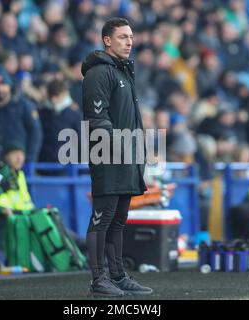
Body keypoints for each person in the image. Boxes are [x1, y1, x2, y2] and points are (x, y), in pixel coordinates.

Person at [81, 17, 152, 297]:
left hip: (127, 157)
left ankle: (118, 275)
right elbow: (98, 120)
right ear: (107, 40)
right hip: (108, 156)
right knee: (103, 217)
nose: (130, 41)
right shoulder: (100, 72)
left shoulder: (124, 71)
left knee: (119, 219)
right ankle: (99, 280)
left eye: (131, 36)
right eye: (123, 37)